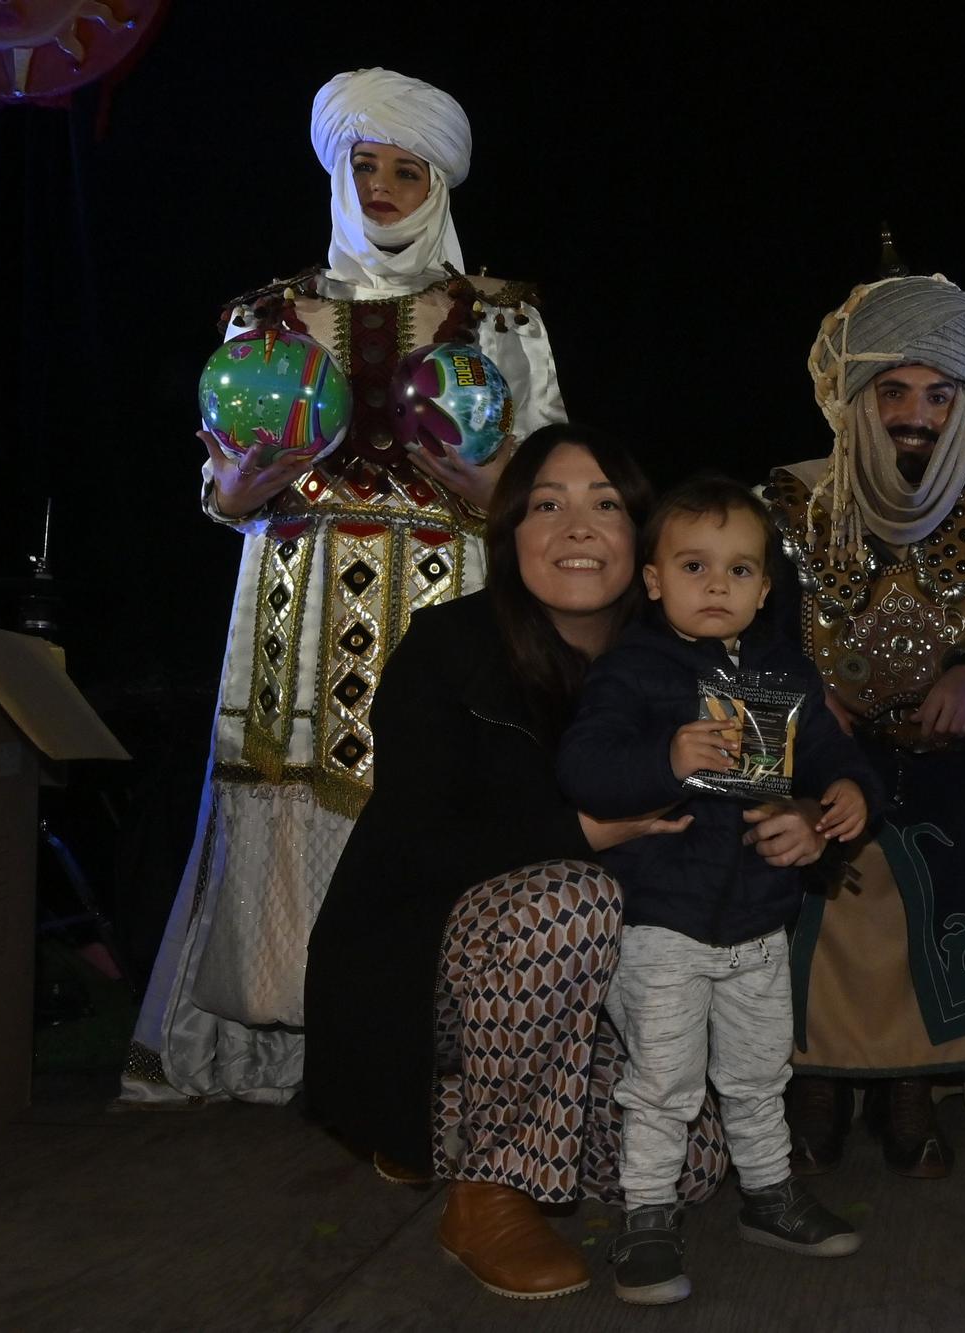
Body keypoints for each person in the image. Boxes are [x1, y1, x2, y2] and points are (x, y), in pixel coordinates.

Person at [123, 68, 567, 1106]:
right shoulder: (267, 316)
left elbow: (552, 483)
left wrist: (491, 487)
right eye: (361, 163)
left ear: (438, 186)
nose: (379, 184)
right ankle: (285, 1047)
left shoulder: (497, 319)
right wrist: (245, 481)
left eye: (404, 169)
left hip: (446, 588)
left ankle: (439, 1044)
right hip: (295, 591)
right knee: (283, 800)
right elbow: (223, 489)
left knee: (432, 795)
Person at [304, 425, 729, 1301]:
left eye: (605, 504)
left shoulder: (682, 667)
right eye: (548, 504)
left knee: (692, 1171)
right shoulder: (447, 649)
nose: (578, 527)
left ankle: (449, 1123)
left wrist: (796, 812)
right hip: (430, 975)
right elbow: (418, 843)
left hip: (596, 994)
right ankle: (486, 1193)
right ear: (511, 538)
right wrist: (586, 830)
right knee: (566, 898)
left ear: (644, 547)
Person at [762, 274, 965, 1178]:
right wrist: (799, 697)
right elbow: (737, 627)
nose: (916, 414)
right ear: (854, 396)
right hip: (818, 743)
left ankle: (920, 1080)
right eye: (894, 391)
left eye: (938, 394)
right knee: (809, 826)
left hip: (964, 745)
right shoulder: (785, 503)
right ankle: (813, 1080)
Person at [558, 477, 879, 1304]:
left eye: (740, 570)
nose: (716, 584)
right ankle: (648, 1218)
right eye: (695, 565)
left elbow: (834, 760)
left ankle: (768, 1196)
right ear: (654, 578)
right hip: (663, 921)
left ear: (766, 587)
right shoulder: (636, 669)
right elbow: (584, 769)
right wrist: (666, 758)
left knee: (758, 1071)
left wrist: (847, 797)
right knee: (663, 1081)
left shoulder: (784, 669)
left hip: (759, 919)